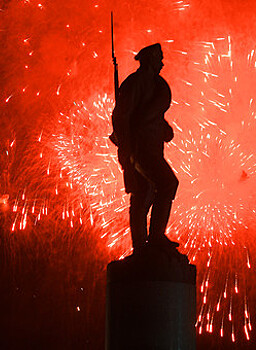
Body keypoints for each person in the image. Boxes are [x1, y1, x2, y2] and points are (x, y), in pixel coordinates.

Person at [110, 43, 179, 253]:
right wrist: (126, 147)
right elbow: (122, 116)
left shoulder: (153, 85)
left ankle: (141, 245)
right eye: (159, 59)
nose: (162, 63)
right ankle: (155, 236)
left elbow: (152, 115)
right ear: (150, 60)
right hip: (139, 149)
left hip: (150, 147)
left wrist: (163, 128)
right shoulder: (135, 83)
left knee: (144, 192)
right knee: (167, 183)